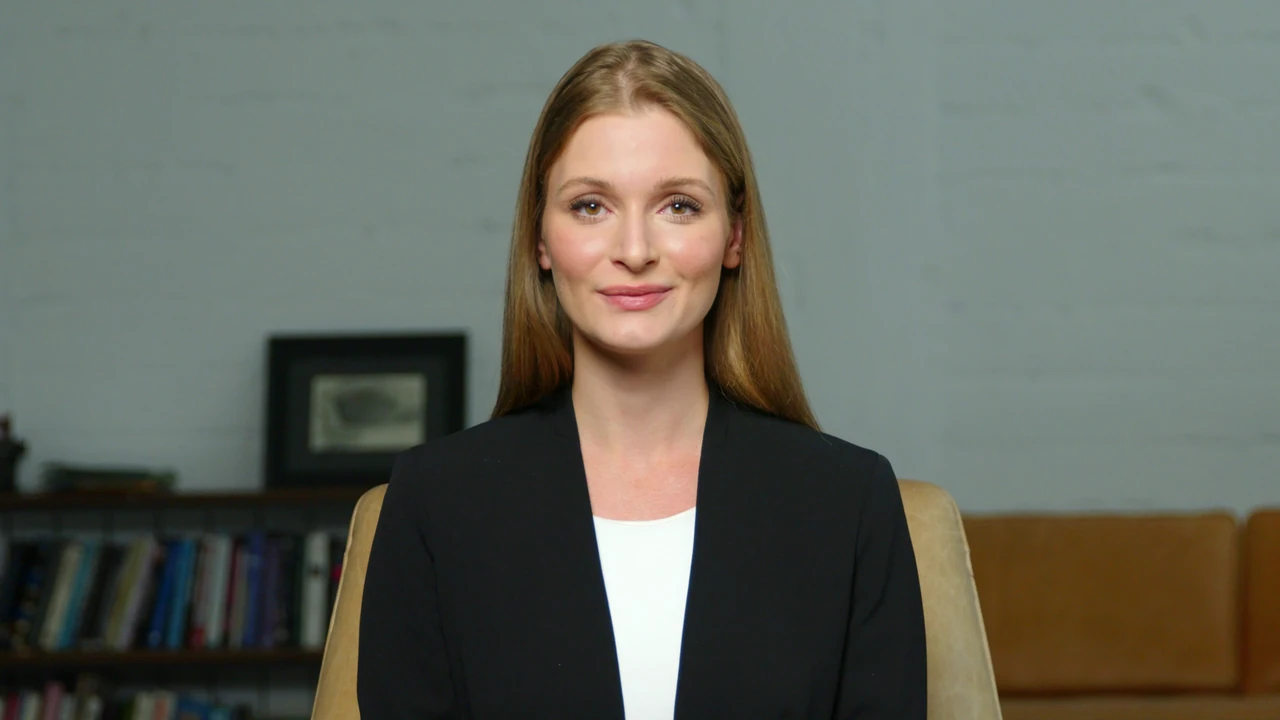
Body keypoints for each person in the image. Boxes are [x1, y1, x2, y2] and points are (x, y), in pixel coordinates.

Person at [357, 39, 926, 719]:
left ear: (734, 236)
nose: (634, 251)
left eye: (678, 205)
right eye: (590, 206)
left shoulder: (848, 502)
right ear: (540, 238)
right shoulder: (436, 502)